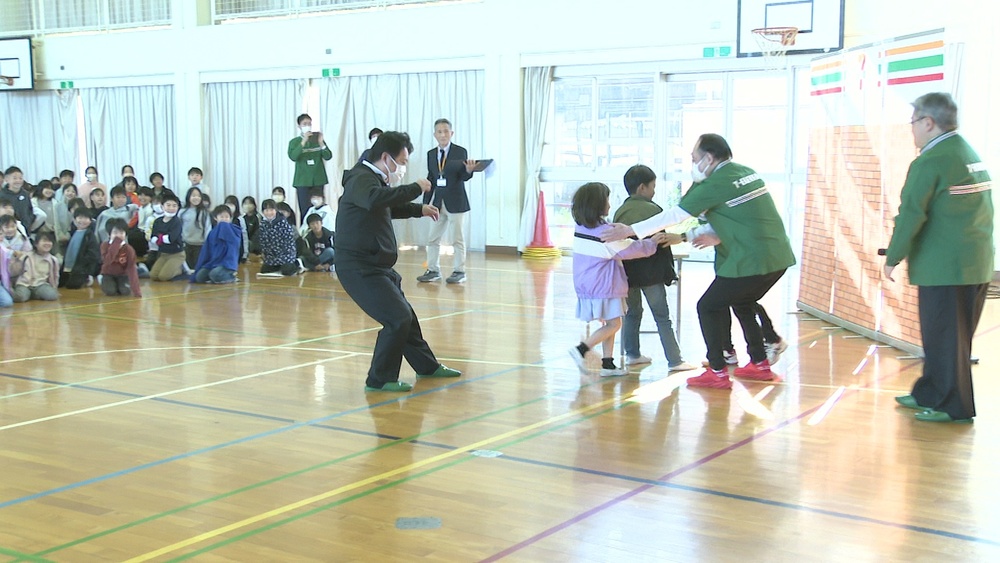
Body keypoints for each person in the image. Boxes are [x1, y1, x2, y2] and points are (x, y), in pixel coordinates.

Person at [602, 133, 796, 390]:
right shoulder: (745, 173)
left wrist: (630, 230)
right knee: (742, 302)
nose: (692, 164)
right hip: (777, 257)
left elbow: (675, 215)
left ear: (709, 158)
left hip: (750, 259)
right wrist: (690, 235)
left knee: (708, 307)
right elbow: (732, 220)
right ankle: (760, 363)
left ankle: (718, 371)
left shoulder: (715, 184)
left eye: (694, 159)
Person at [884, 93, 993, 424]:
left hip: (945, 268)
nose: (912, 130)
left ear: (928, 123)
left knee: (944, 339)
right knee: (947, 338)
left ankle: (953, 406)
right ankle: (929, 392)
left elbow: (911, 214)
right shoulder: (966, 152)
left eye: (913, 122)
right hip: (975, 263)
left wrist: (893, 256)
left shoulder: (930, 161)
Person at [335, 130, 461, 392]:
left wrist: (419, 209)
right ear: (386, 158)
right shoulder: (360, 179)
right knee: (397, 318)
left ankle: (427, 367)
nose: (403, 168)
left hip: (377, 265)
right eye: (402, 162)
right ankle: (379, 379)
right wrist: (415, 188)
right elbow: (376, 199)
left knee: (407, 319)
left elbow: (386, 205)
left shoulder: (373, 180)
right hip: (359, 268)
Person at [566, 182, 666, 377]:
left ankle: (608, 364)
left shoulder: (582, 228)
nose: (610, 205)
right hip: (605, 285)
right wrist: (652, 243)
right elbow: (631, 249)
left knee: (609, 324)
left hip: (588, 284)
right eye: (607, 200)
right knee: (614, 324)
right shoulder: (605, 233)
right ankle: (582, 349)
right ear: (597, 205)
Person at [612, 165, 695, 372]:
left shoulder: (620, 211)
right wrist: (669, 273)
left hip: (627, 275)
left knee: (632, 313)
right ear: (642, 187)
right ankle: (675, 360)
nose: (654, 191)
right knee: (662, 317)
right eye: (653, 187)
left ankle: (632, 354)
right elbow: (663, 244)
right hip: (651, 275)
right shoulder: (654, 210)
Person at [417, 119, 479, 285]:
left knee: (457, 239)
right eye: (439, 131)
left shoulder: (460, 151)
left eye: (446, 131)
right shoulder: (431, 154)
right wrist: (425, 202)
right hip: (438, 203)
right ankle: (433, 270)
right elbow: (432, 178)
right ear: (434, 135)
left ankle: (459, 271)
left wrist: (469, 171)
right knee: (433, 238)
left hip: (456, 202)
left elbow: (463, 177)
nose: (443, 134)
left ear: (451, 133)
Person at [288, 114, 333, 217]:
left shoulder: (317, 140)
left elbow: (328, 156)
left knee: (319, 209)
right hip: (302, 181)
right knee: (305, 210)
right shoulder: (294, 142)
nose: (307, 126)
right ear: (299, 126)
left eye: (309, 124)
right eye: (304, 124)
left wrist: (321, 143)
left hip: (318, 179)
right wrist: (303, 141)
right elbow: (293, 156)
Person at [191, 205, 241, 284]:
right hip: (214, 262)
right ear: (215, 218)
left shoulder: (234, 231)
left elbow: (233, 247)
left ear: (230, 218)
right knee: (199, 277)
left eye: (227, 217)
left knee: (214, 274)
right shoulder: (212, 232)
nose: (224, 219)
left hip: (226, 263)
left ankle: (231, 277)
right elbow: (207, 250)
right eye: (221, 217)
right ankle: (215, 278)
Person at [257, 199, 303, 277]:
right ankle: (278, 265)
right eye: (266, 210)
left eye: (271, 210)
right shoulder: (263, 224)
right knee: (264, 270)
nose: (269, 213)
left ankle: (297, 264)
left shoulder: (283, 223)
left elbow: (288, 243)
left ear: (276, 210)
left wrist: (283, 255)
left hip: (285, 254)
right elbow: (263, 241)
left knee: (287, 271)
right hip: (272, 256)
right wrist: (265, 254)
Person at [59, 208, 102, 289]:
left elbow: (93, 255)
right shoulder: (73, 232)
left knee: (72, 286)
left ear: (90, 221)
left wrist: (85, 266)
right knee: (60, 284)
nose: (83, 221)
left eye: (86, 218)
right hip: (69, 264)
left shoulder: (89, 235)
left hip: (82, 267)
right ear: (74, 220)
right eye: (80, 218)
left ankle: (88, 278)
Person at [11, 232, 60, 303]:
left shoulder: (53, 260)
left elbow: (55, 276)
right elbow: (14, 272)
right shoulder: (26, 256)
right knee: (20, 297)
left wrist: (54, 288)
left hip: (40, 284)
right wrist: (16, 259)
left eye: (49, 241)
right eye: (44, 241)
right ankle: (27, 293)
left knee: (52, 295)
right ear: (36, 244)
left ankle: (33, 294)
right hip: (24, 284)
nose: (47, 243)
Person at [99, 218, 142, 298]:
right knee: (110, 292)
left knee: (125, 291)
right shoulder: (104, 245)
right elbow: (107, 261)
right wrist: (115, 245)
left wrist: (136, 291)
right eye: (115, 233)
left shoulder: (128, 249)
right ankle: (102, 280)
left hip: (123, 275)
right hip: (108, 274)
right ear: (109, 234)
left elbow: (131, 269)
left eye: (121, 232)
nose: (118, 235)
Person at [148, 193, 186, 282]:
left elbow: (171, 239)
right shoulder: (158, 221)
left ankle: (180, 270)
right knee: (153, 276)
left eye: (174, 206)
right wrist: (161, 238)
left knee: (163, 277)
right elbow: (153, 237)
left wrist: (159, 238)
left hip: (176, 254)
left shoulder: (177, 221)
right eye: (168, 205)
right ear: (162, 206)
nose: (171, 208)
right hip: (163, 254)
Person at [178, 186, 212, 270]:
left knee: (197, 268)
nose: (196, 198)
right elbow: (178, 228)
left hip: (200, 245)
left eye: (198, 196)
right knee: (187, 269)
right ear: (188, 197)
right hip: (186, 244)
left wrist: (207, 244)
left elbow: (208, 228)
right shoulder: (182, 212)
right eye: (193, 195)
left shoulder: (204, 212)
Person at [1, 166, 37, 232]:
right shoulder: (2, 195)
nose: (18, 181)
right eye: (14, 178)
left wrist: (28, 222)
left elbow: (30, 210)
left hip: (25, 229)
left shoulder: (25, 194)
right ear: (6, 179)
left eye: (20, 178)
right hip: (8, 229)